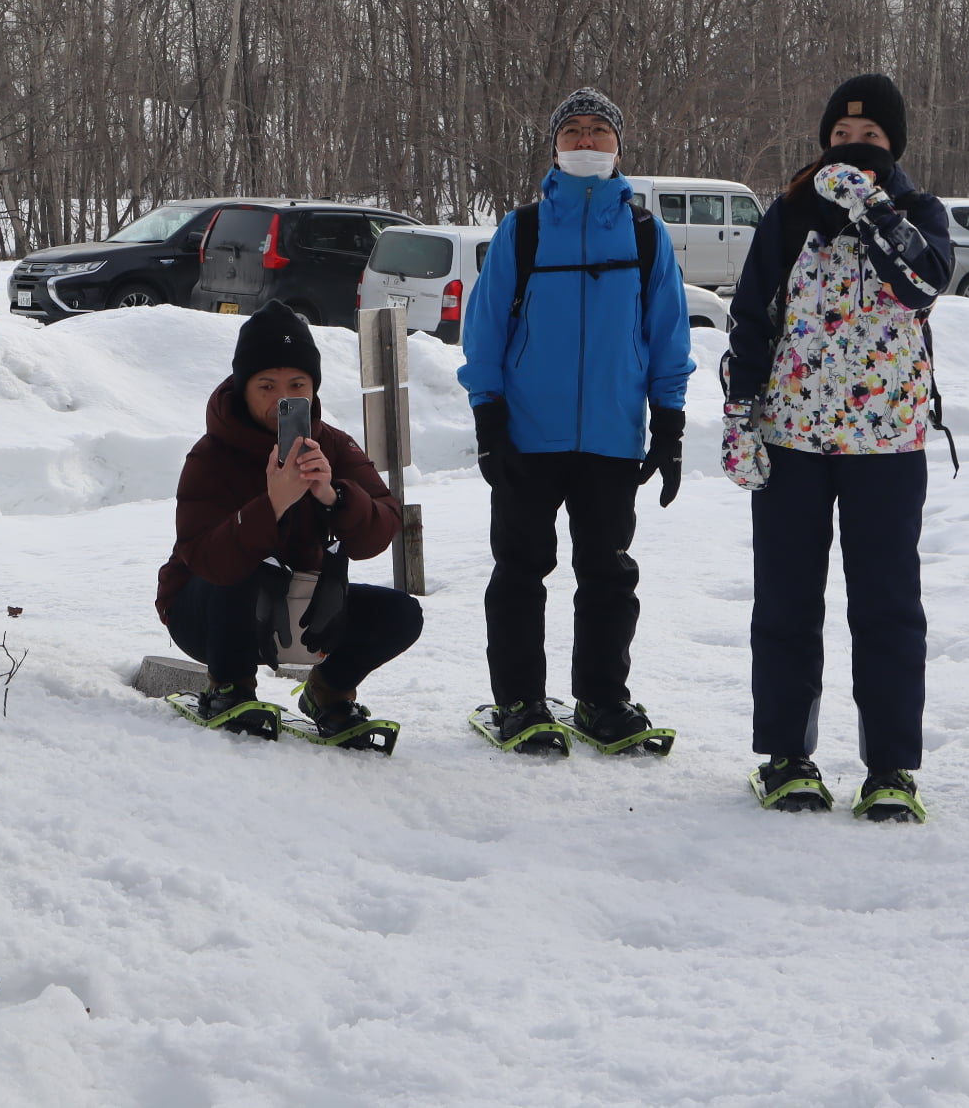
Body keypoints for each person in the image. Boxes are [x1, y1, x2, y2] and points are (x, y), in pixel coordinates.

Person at [719, 72, 952, 821]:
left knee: (887, 608)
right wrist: (740, 411)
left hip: (887, 445)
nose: (854, 149)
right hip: (792, 441)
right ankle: (786, 757)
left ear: (894, 148)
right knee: (786, 601)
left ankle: (890, 768)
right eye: (842, 138)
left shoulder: (915, 213)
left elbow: (923, 283)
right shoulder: (787, 214)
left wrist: (873, 208)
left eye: (871, 139)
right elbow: (751, 316)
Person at [456, 87, 694, 751]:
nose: (585, 142)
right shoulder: (523, 229)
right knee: (520, 570)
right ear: (555, 145)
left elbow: (668, 337)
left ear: (618, 146)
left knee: (607, 574)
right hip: (529, 435)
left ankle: (601, 700)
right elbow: (484, 333)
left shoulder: (645, 235)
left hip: (612, 438)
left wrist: (668, 427)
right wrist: (488, 421)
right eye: (574, 131)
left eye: (598, 132)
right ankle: (520, 703)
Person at [156, 301, 420, 738]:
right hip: (206, 612)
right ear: (242, 388)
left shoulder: (332, 445)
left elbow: (382, 528)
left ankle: (329, 693)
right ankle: (229, 685)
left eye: (297, 384)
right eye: (266, 386)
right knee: (241, 571)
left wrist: (333, 496)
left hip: (299, 605)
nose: (283, 398)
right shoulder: (211, 454)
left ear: (313, 389)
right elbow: (207, 559)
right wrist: (272, 505)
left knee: (402, 614)